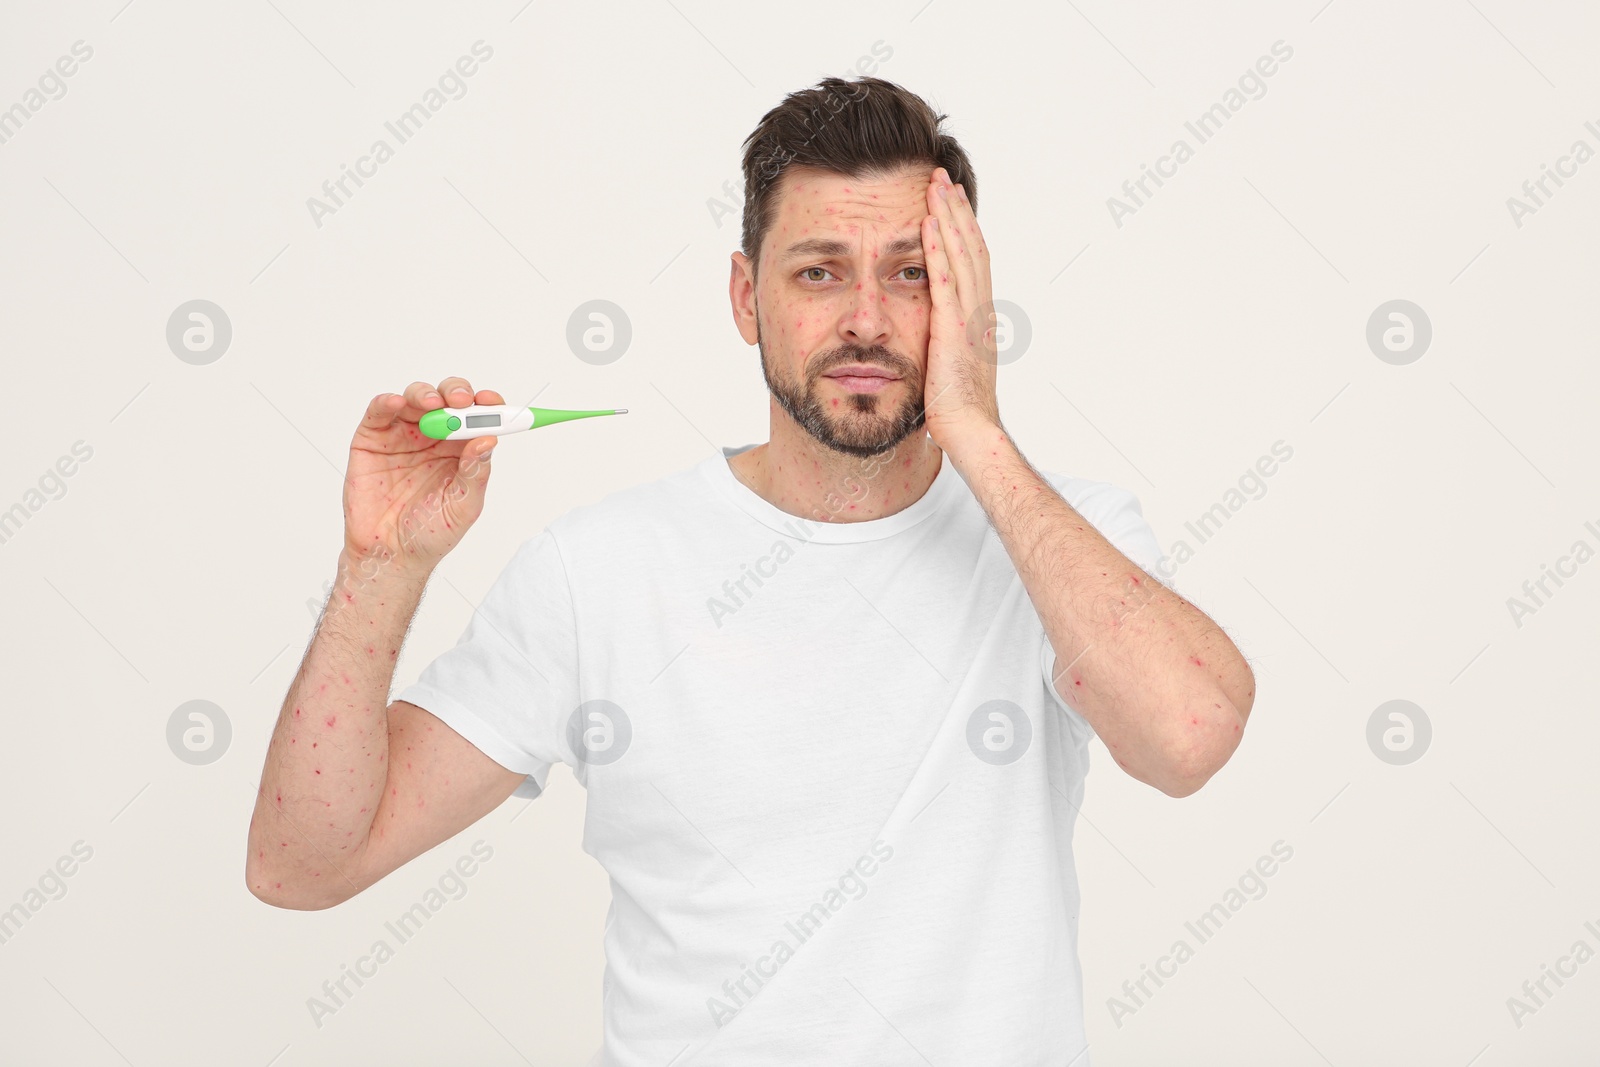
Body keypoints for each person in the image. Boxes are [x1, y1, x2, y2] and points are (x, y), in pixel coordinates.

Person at [246, 75, 1254, 1065]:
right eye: (820, 271)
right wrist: (379, 566)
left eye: (911, 274)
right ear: (746, 297)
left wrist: (976, 429)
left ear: (969, 297)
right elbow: (303, 864)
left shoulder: (1061, 545)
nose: (866, 318)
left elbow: (1189, 735)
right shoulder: (599, 572)